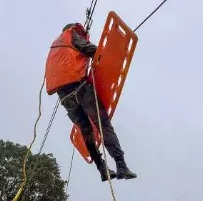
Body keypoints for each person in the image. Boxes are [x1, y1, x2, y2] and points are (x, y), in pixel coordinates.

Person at [45, 23, 137, 182]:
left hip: (65, 99)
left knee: (86, 132)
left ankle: (102, 169)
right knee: (103, 124)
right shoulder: (70, 36)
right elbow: (90, 50)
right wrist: (103, 53)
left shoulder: (54, 49)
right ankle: (121, 166)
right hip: (80, 88)